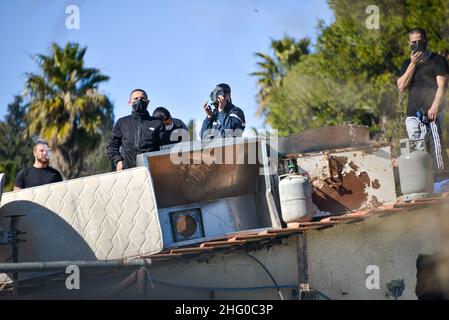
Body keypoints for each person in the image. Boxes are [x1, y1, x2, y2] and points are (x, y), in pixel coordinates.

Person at [397, 28, 449, 173]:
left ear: (425, 41)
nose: (418, 44)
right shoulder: (407, 63)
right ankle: (424, 179)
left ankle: (441, 178)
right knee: (417, 149)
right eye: (414, 42)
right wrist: (413, 64)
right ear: (409, 44)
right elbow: (401, 86)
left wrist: (435, 107)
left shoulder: (437, 60)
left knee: (435, 146)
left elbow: (442, 86)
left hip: (432, 112)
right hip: (413, 114)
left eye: (420, 41)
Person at [106, 89, 164, 170]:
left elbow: (164, 147)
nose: (139, 101)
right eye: (136, 99)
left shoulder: (157, 123)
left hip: (151, 170)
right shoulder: (122, 122)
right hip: (127, 171)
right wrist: (118, 161)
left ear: (148, 102)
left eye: (142, 98)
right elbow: (112, 145)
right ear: (129, 102)